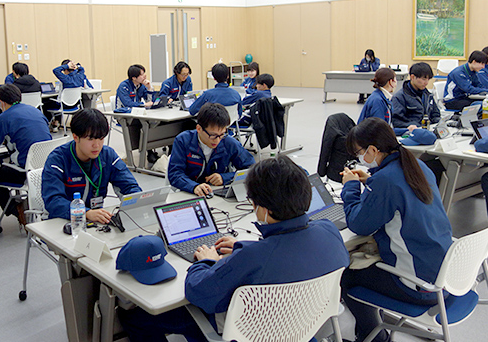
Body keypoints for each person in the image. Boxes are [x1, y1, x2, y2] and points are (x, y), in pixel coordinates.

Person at [118, 156, 350, 342]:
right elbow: (285, 252)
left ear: (264, 209)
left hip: (251, 334)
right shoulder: (329, 232)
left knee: (138, 316)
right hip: (304, 327)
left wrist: (207, 260)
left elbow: (198, 293)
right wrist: (243, 246)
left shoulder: (250, 258)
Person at [340, 117, 453, 342]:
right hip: (445, 277)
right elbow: (398, 193)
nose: (359, 158)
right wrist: (371, 181)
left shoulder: (385, 181)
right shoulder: (417, 166)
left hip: (419, 287)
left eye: (359, 153)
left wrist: (350, 187)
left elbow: (359, 224)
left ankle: (375, 337)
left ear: (373, 150)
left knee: (347, 275)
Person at [43, 108, 141, 222]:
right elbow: (53, 201)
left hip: (95, 222)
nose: (97, 145)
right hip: (64, 221)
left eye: (101, 138)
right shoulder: (57, 160)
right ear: (75, 137)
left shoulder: (108, 155)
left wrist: (139, 202)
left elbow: (129, 186)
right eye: (90, 139)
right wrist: (85, 213)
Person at [0, 84, 52, 224]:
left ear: (1, 102)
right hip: (46, 167)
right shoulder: (36, 111)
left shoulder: (3, 118)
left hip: (24, 171)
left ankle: (17, 210)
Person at [168, 103, 255, 196]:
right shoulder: (183, 141)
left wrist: (224, 178)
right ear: (199, 129)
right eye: (213, 135)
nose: (217, 140)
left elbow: (251, 170)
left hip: (218, 192)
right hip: (189, 192)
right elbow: (175, 174)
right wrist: (193, 186)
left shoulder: (229, 143)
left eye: (222, 134)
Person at [115, 64, 158, 162]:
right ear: (134, 78)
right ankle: (148, 151)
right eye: (142, 75)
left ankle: (150, 150)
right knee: (144, 124)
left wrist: (149, 88)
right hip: (123, 115)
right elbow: (127, 104)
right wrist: (143, 105)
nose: (145, 76)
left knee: (152, 122)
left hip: (137, 113)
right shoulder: (123, 86)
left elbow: (150, 102)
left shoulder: (141, 86)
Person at [391, 62, 440, 131]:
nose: (426, 82)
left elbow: (436, 115)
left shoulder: (428, 95)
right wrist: (411, 126)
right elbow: (396, 121)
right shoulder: (399, 97)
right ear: (412, 77)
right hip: (411, 132)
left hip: (428, 130)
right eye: (424, 79)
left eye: (428, 79)